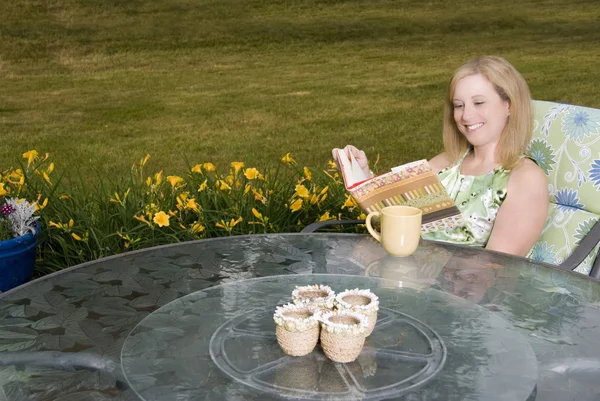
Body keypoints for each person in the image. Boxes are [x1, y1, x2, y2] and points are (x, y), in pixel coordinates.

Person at [332, 56, 548, 258]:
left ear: (508, 104)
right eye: (459, 105)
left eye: (479, 102)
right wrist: (363, 175)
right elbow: (394, 216)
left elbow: (496, 269)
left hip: (470, 293)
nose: (466, 115)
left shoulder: (525, 178)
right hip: (411, 276)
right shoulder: (450, 161)